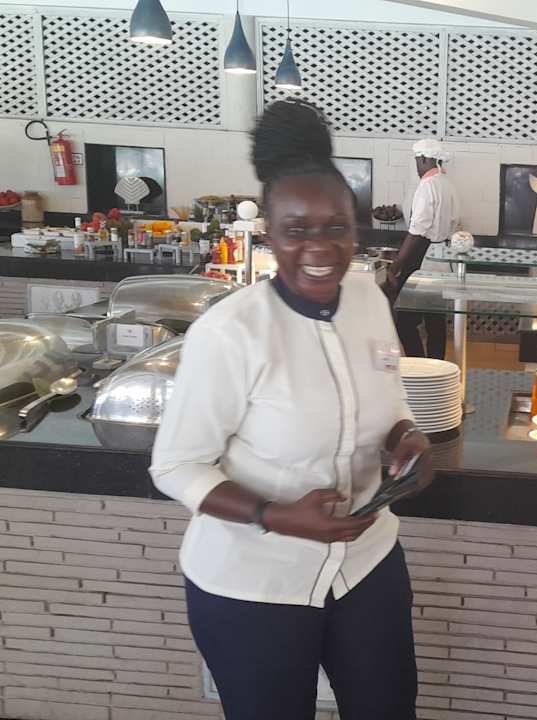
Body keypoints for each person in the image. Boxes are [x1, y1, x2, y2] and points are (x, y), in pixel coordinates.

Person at [149, 99, 431, 720]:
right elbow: (175, 466)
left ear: (356, 229)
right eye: (296, 230)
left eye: (336, 227)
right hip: (253, 584)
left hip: (366, 566)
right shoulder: (231, 332)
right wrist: (276, 516)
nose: (319, 247)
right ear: (269, 234)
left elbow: (392, 406)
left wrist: (408, 440)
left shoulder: (369, 298)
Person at [390, 138, 459, 359]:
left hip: (425, 260)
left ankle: (418, 365)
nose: (417, 167)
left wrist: (396, 265)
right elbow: (454, 222)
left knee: (404, 322)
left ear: (423, 159)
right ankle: (437, 367)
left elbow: (417, 231)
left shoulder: (428, 186)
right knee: (435, 321)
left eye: (417, 161)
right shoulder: (447, 184)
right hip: (443, 259)